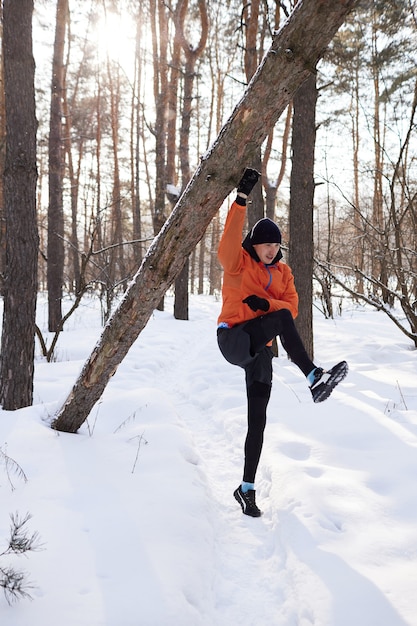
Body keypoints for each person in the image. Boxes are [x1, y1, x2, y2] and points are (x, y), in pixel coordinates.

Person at [217, 168, 348, 517]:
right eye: (266, 245)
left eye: (276, 245)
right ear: (255, 245)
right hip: (232, 337)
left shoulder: (285, 273)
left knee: (257, 421)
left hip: (260, 350)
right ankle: (312, 376)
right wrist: (241, 200)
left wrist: (267, 305)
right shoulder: (239, 264)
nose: (272, 251)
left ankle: (246, 489)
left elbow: (290, 307)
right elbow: (227, 244)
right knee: (279, 320)